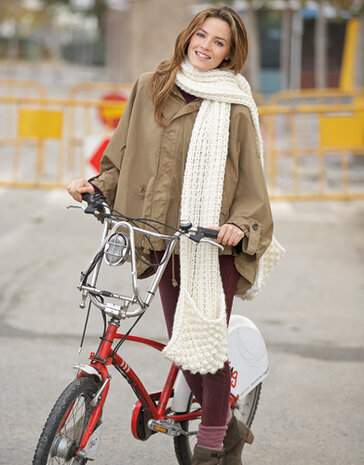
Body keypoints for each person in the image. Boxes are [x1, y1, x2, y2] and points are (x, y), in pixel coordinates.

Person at [68, 5, 283, 465]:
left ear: (230, 53)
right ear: (188, 35)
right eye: (201, 35)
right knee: (184, 345)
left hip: (210, 242)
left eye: (218, 41)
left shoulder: (235, 104)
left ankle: (210, 444)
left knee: (207, 340)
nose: (205, 46)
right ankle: (230, 425)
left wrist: (239, 227)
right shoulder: (151, 85)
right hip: (161, 236)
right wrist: (97, 187)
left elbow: (251, 183)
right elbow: (119, 155)